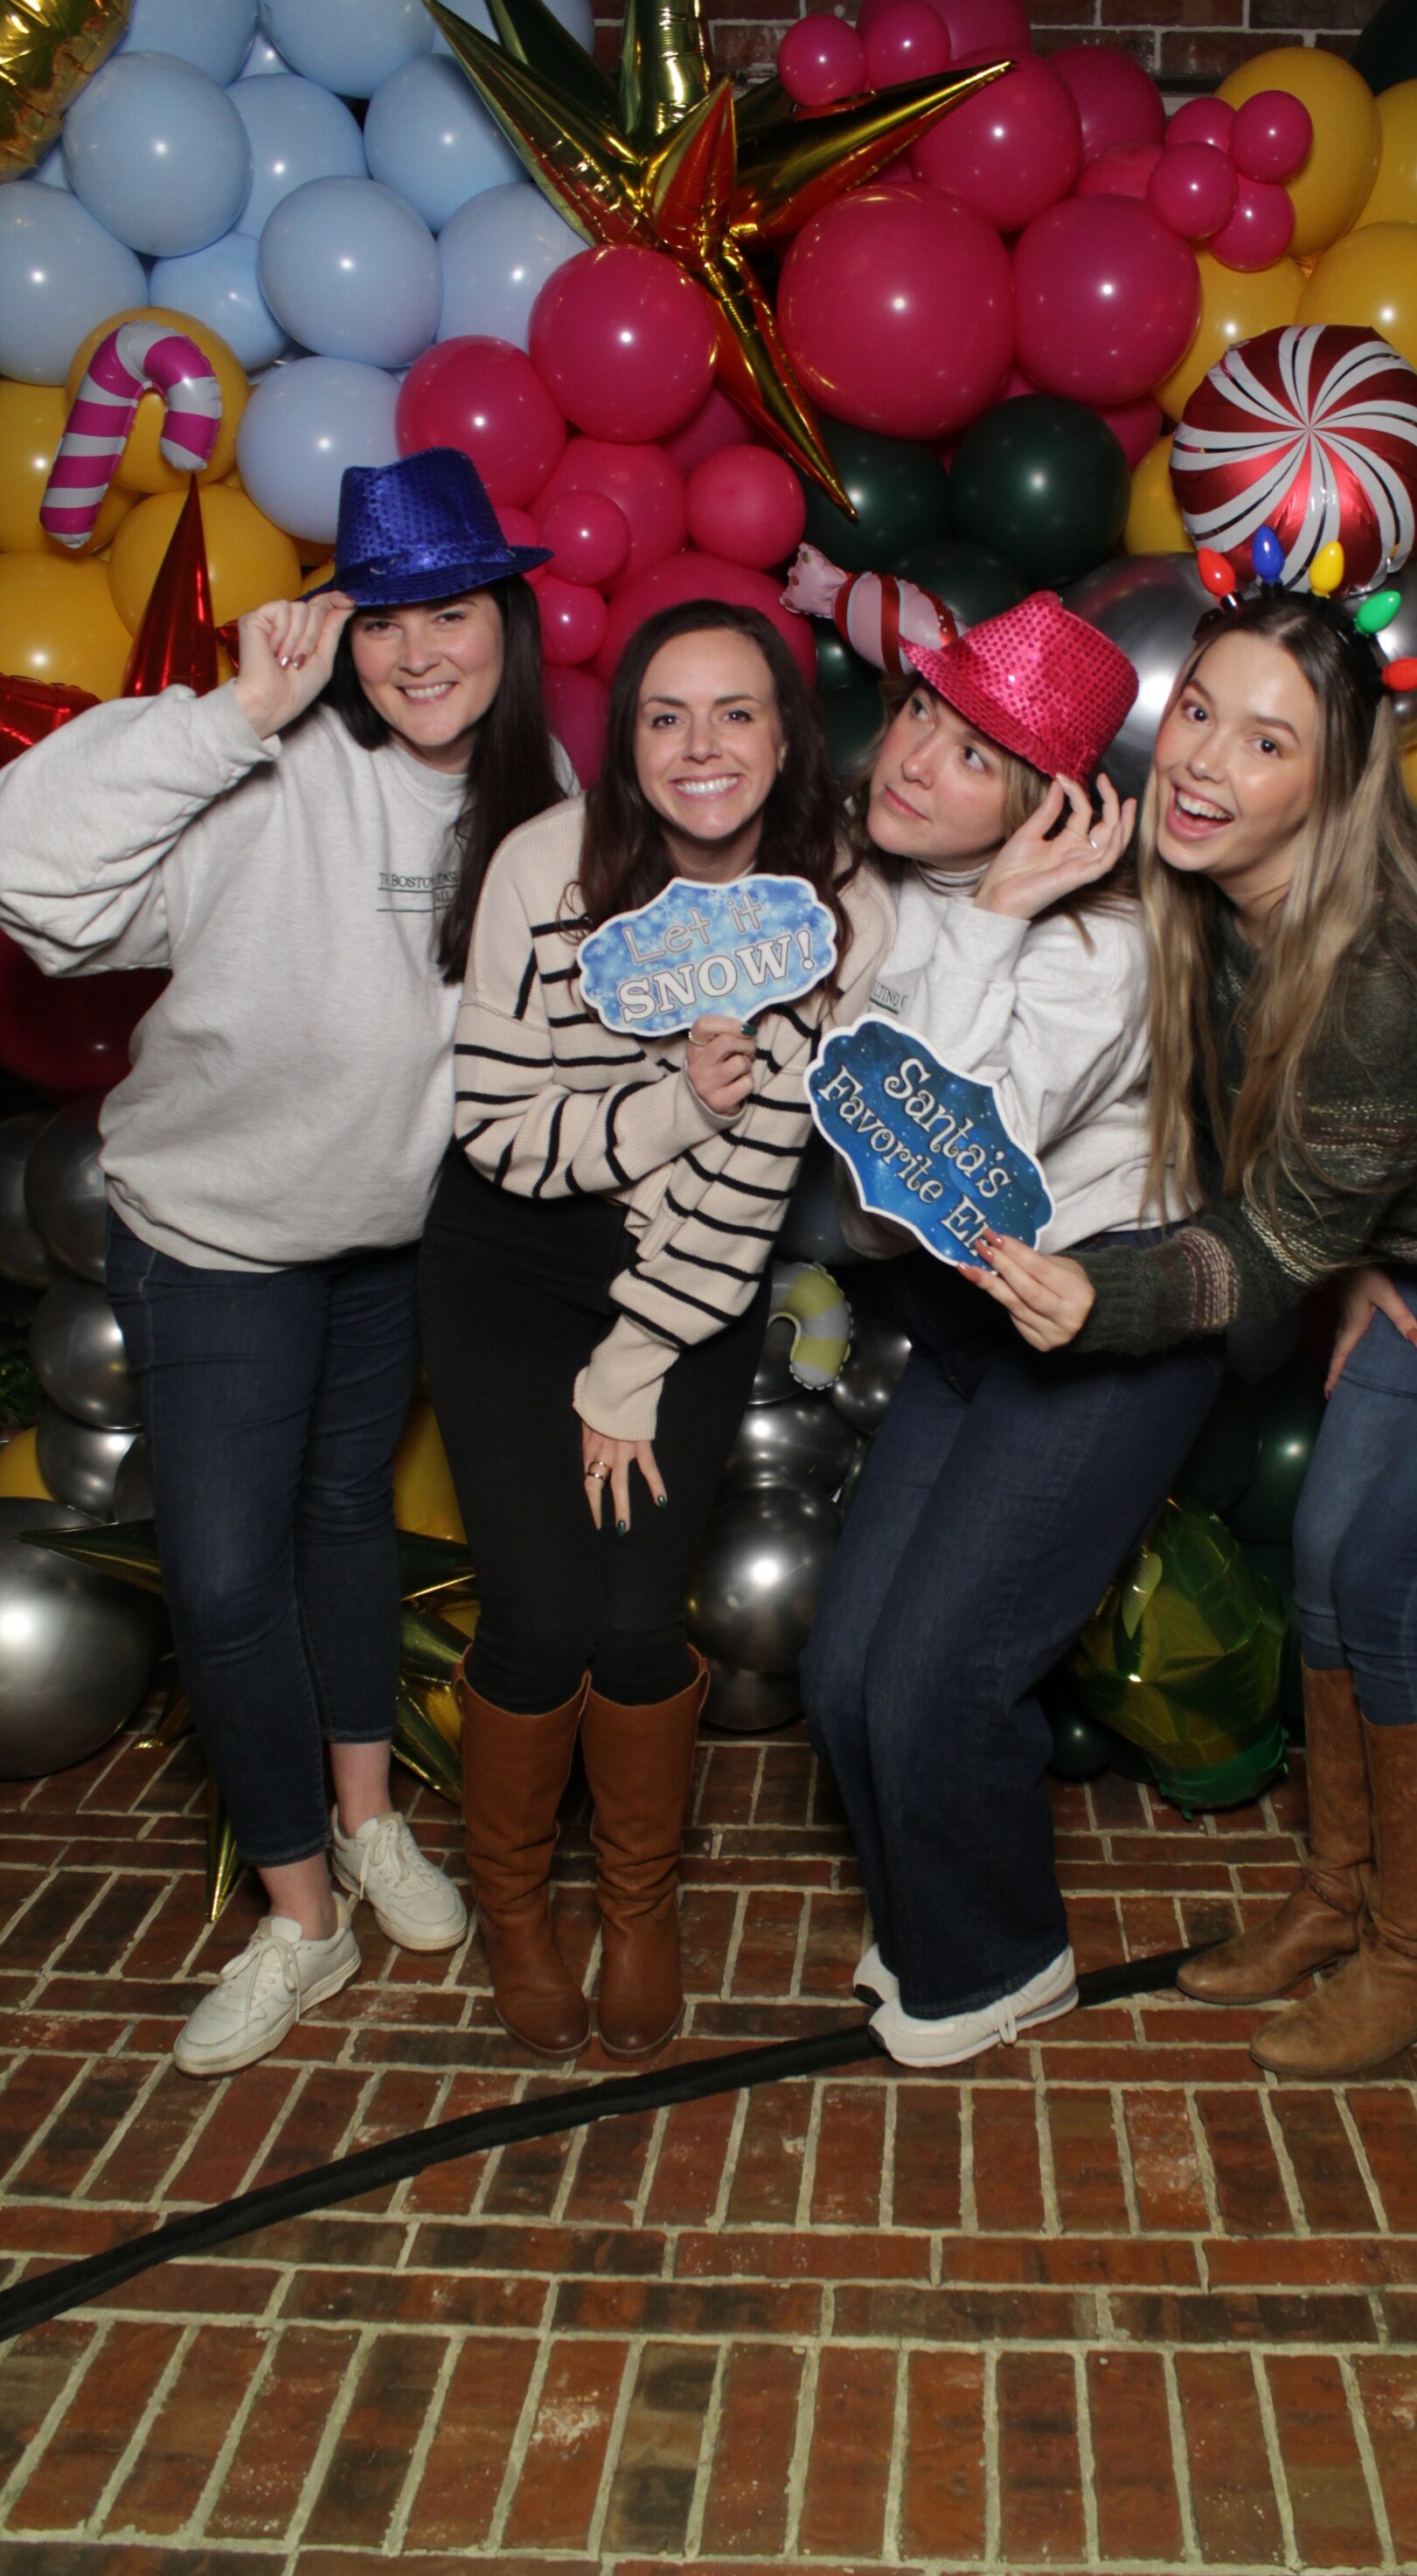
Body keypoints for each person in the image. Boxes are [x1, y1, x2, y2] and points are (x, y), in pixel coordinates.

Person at [971, 584, 1417, 2079]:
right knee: (1325, 1558)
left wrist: (1113, 1298)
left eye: (1267, 741)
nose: (1205, 761)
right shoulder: (1206, 890)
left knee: (1395, 1581)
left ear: (1335, 780)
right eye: (1200, 713)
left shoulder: (1382, 971)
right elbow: (1283, 1170)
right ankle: (1339, 1896)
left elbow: (1276, 1235)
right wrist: (1355, 1241)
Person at [0, 448, 570, 2078]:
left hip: (392, 1247)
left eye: (450, 612)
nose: (419, 652)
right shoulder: (260, 767)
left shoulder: (539, 800)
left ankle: (371, 1821)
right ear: (336, 634)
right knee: (229, 1584)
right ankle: (301, 1916)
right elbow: (28, 873)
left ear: (507, 619)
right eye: (382, 620)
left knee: (343, 1525)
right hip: (220, 1245)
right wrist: (231, 715)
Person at [420, 600, 894, 2065]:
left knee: (635, 1620)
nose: (702, 746)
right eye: (664, 715)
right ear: (623, 740)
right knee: (538, 1613)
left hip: (691, 1285)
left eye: (737, 711)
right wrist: (677, 1102)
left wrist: (631, 1361)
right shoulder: (543, 868)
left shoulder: (833, 910)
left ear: (788, 737)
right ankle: (516, 1914)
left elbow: (756, 1181)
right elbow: (497, 1128)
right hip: (511, 1259)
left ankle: (640, 1908)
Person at [800, 595, 1227, 2070]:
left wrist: (991, 920)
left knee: (941, 1674)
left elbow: (938, 1169)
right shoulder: (867, 886)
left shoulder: (1100, 948)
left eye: (976, 756)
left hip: (1105, 1316)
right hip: (970, 1317)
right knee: (844, 1669)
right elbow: (879, 1218)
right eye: (922, 715)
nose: (917, 761)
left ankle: (1000, 1963)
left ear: (1052, 810)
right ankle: (935, 1912)